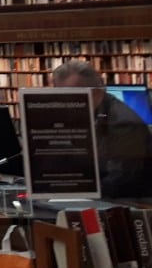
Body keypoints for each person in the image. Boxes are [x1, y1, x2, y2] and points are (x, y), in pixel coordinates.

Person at [51, 60, 152, 198]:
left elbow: (120, 180)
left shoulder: (124, 122)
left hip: (126, 203)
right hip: (100, 195)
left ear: (93, 92)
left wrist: (77, 192)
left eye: (69, 96)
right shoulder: (89, 113)